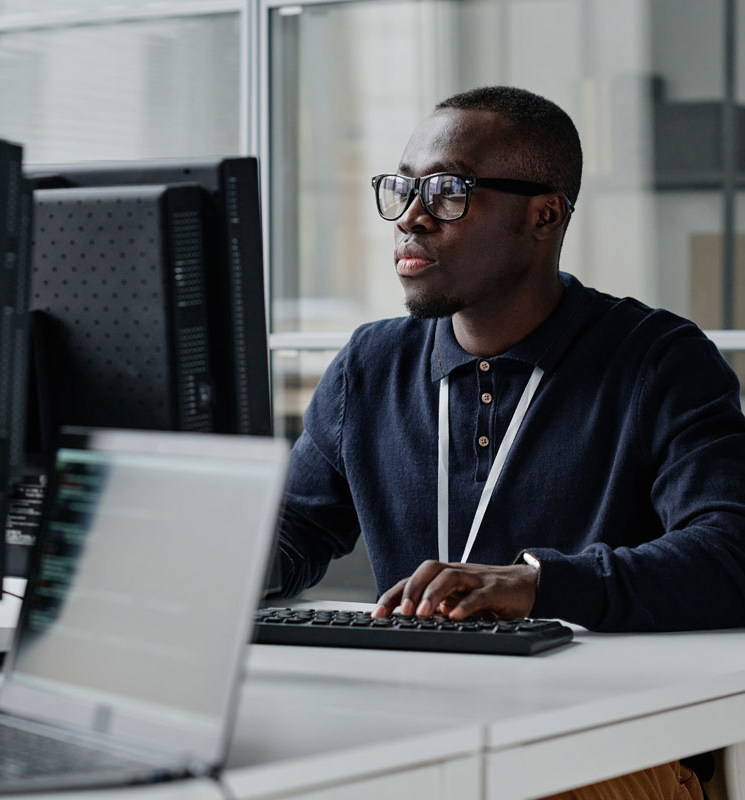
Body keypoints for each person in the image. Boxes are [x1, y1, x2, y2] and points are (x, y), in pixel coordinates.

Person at [272, 85, 741, 800]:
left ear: (544, 215)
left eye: (449, 191)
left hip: (609, 743)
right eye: (402, 188)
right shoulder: (369, 367)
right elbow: (292, 533)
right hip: (416, 728)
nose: (411, 217)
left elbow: (731, 551)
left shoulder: (657, 360)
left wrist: (538, 584)